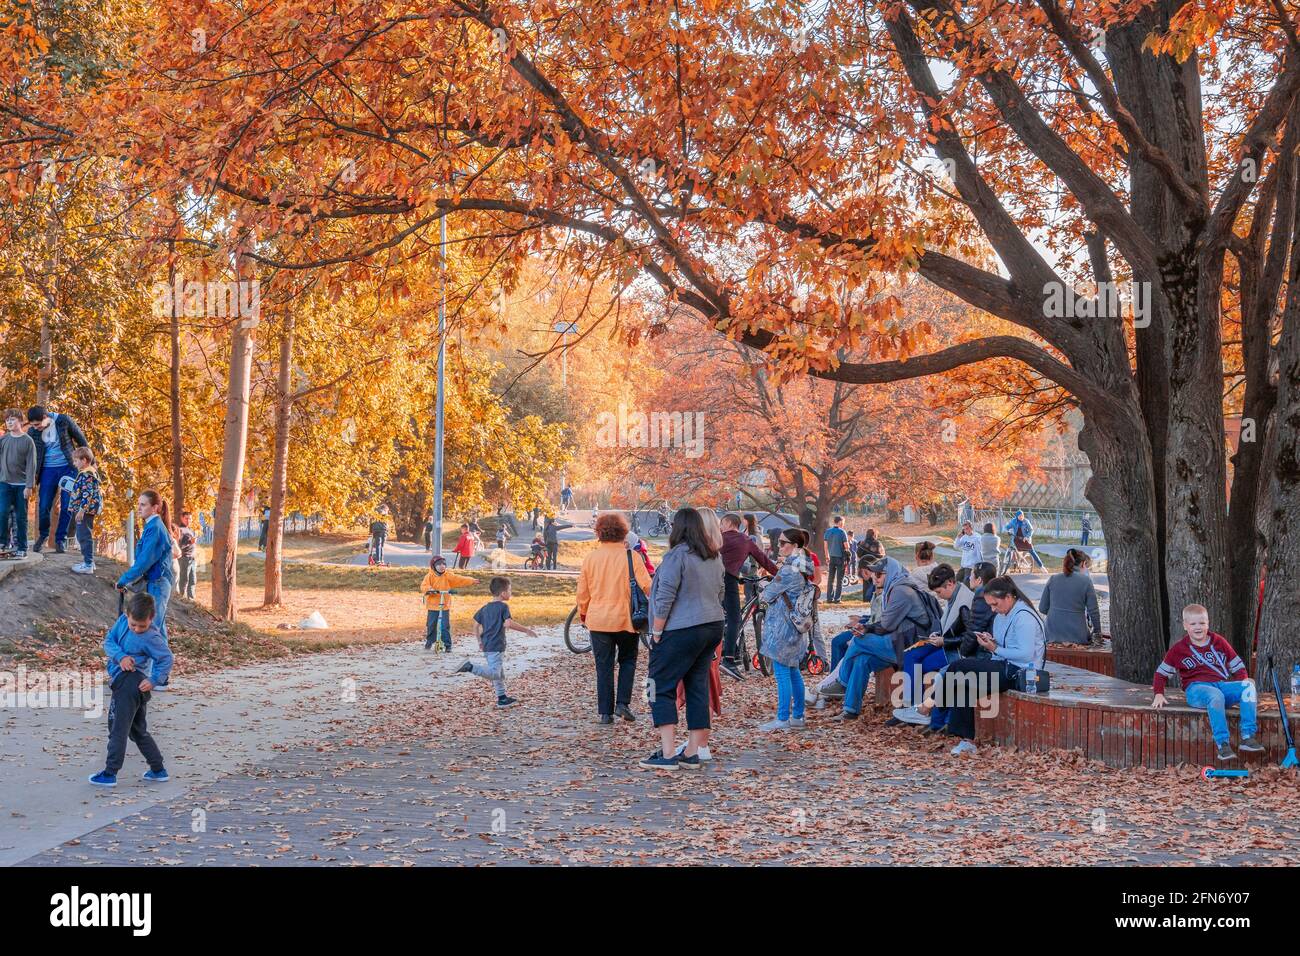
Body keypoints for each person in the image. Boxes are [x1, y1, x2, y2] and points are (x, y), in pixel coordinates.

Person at [638, 508, 725, 771]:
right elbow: (720, 592)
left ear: (677, 528)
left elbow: (665, 595)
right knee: (697, 686)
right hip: (712, 626)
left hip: (681, 629)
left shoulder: (677, 556)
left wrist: (656, 631)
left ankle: (666, 753)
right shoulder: (713, 557)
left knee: (658, 685)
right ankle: (691, 751)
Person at [940, 575, 1046, 755]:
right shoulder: (1002, 616)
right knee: (963, 681)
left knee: (958, 667)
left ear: (1008, 597)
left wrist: (995, 648)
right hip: (1003, 664)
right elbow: (1006, 646)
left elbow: (1026, 654)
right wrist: (991, 642)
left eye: (995, 604)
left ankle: (934, 705)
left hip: (1022, 673)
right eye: (990, 605)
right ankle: (966, 741)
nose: (993, 609)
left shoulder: (1024, 617)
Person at [1152, 604, 1263, 761]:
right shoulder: (1178, 649)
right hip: (1196, 689)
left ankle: (1248, 736)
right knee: (1215, 695)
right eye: (1193, 624)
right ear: (1185, 626)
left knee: (1248, 687)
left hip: (1220, 685)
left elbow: (1238, 667)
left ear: (1208, 623)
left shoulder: (1219, 642)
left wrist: (1242, 686)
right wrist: (1158, 693)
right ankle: (1223, 744)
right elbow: (1161, 673)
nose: (1198, 627)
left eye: (1202, 623)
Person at [88, 592, 174, 787]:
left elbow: (166, 658)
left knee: (117, 728)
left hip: (131, 684)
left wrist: (154, 680)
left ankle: (110, 774)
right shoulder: (122, 622)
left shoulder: (152, 637)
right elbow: (109, 642)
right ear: (127, 615)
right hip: (124, 680)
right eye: (133, 624)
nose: (136, 629)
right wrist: (121, 656)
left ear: (151, 618)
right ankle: (158, 769)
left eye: (141, 626)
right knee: (137, 731)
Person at [836, 556, 934, 721]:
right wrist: (866, 627)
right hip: (898, 642)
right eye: (874, 574)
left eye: (879, 574)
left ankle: (842, 681)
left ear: (891, 574)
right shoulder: (894, 588)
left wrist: (866, 629)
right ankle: (850, 710)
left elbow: (887, 625)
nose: (875, 578)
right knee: (862, 659)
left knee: (858, 640)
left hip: (909, 647)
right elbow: (886, 624)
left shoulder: (901, 591)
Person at [576, 512, 652, 723]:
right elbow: (648, 586)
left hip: (599, 620)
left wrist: (584, 614)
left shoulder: (591, 558)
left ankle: (605, 713)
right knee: (628, 660)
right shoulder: (632, 557)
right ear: (623, 532)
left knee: (604, 666)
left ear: (599, 533)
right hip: (627, 619)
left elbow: (583, 592)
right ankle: (622, 703)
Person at [890, 563, 973, 726]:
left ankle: (918, 709)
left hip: (956, 649)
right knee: (911, 655)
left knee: (925, 664)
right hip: (946, 642)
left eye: (939, 592)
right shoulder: (954, 596)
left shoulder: (965, 602)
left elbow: (970, 637)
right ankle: (911, 705)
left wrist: (944, 640)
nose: (939, 596)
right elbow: (951, 625)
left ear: (950, 584)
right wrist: (939, 635)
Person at [757, 529, 816, 730]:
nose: (779, 546)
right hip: (796, 627)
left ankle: (782, 718)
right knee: (793, 671)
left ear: (796, 546)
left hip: (783, 628)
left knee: (782, 672)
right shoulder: (803, 566)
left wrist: (765, 584)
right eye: (778, 542)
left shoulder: (789, 570)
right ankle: (797, 716)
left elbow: (767, 595)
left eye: (783, 543)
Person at [455, 576, 537, 708]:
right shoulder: (503, 607)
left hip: (487, 645)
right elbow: (508, 624)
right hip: (496, 645)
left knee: (499, 673)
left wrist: (479, 641)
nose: (511, 593)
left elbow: (475, 625)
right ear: (503, 593)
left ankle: (502, 698)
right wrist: (526, 630)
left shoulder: (484, 608)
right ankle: (470, 667)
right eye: (510, 590)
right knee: (495, 673)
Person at [719, 512, 778, 680]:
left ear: (729, 523)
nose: (720, 527)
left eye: (722, 523)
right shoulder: (746, 541)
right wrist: (779, 574)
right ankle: (729, 658)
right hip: (728, 580)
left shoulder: (718, 538)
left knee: (720, 616)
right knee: (735, 618)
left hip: (711, 579)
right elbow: (764, 560)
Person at [117, 491, 176, 658]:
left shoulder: (155, 528)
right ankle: (161, 674)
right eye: (139, 504)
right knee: (158, 629)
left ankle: (145, 674)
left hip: (158, 583)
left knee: (150, 630)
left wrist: (124, 580)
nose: (139, 508)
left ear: (155, 508)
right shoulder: (151, 526)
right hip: (155, 583)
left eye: (143, 505)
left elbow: (144, 561)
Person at [25, 405, 90, 554]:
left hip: (68, 467)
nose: (36, 428)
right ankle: (43, 536)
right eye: (33, 425)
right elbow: (29, 453)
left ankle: (60, 540)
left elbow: (82, 442)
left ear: (45, 417)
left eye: (37, 424)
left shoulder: (63, 420)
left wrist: (88, 464)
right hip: (47, 470)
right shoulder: (33, 432)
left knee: (68, 504)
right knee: (44, 505)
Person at [1039, 548, 1102, 645]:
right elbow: (1093, 611)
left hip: (1051, 635)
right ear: (1083, 564)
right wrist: (1097, 632)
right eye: (1087, 567)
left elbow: (1042, 608)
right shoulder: (1086, 581)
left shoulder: (1053, 579)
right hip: (1078, 637)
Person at [0, 408, 37, 558]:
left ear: (20, 421)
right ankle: (2, 544)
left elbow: (31, 465)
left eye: (12, 419)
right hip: (4, 484)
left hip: (21, 485)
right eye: (7, 420)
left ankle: (22, 547)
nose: (9, 422)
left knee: (21, 517)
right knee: (2, 514)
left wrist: (29, 486)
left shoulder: (28, 441)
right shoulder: (3, 440)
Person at [420, 555, 476, 651]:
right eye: (439, 565)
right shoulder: (429, 576)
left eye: (443, 564)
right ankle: (430, 641)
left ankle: (447, 644)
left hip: (444, 605)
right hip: (433, 606)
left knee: (444, 626)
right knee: (431, 624)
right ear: (433, 566)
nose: (442, 566)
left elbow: (459, 579)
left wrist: (471, 580)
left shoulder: (448, 575)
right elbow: (424, 586)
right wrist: (430, 589)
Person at [67, 447, 103, 575]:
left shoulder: (87, 475)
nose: (74, 463)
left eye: (76, 461)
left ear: (84, 460)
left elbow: (87, 494)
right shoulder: (89, 472)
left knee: (83, 536)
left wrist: (81, 511)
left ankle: (88, 564)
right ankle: (89, 562)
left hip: (85, 511)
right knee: (83, 535)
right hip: (86, 510)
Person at [823, 515, 849, 604]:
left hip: (831, 558)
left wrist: (827, 557)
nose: (843, 524)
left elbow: (825, 546)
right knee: (839, 579)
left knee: (830, 579)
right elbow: (846, 546)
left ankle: (829, 599)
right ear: (840, 522)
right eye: (843, 522)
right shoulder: (842, 532)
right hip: (840, 558)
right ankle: (837, 599)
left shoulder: (827, 531)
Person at [856, 528, 884, 603]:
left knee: (866, 584)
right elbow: (882, 555)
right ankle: (875, 598)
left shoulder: (862, 543)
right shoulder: (878, 543)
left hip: (864, 567)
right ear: (875, 535)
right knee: (876, 582)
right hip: (876, 566)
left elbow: (858, 555)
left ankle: (866, 599)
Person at [175, 511, 198, 599]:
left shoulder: (189, 530)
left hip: (192, 559)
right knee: (184, 580)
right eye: (186, 518)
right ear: (182, 518)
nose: (188, 520)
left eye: (190, 518)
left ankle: (191, 600)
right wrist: (190, 542)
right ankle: (182, 599)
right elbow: (178, 545)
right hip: (184, 558)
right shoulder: (180, 530)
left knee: (193, 581)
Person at [953, 521, 980, 586]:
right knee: (956, 581)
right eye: (964, 529)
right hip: (963, 565)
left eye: (967, 529)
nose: (965, 531)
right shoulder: (964, 537)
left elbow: (980, 551)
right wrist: (958, 538)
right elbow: (956, 546)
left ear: (971, 528)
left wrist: (979, 564)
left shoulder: (977, 537)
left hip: (971, 566)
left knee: (966, 584)